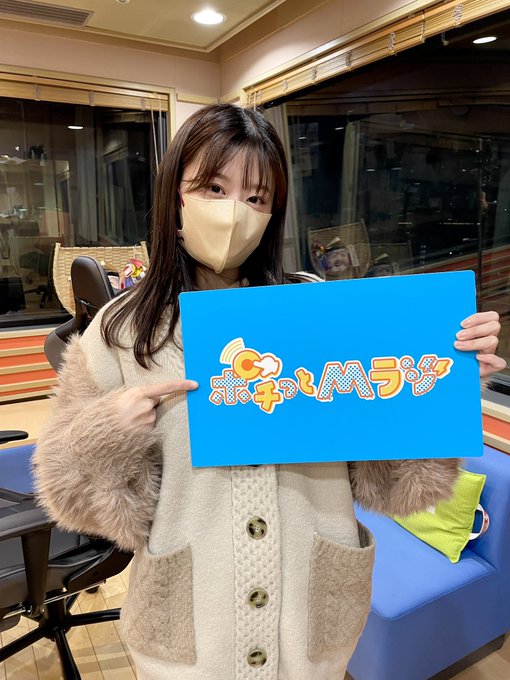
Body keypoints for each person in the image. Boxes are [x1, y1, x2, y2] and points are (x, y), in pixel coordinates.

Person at [33, 103, 506, 680]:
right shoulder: (119, 332)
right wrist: (106, 433)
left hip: (311, 620)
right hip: (189, 628)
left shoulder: (322, 313)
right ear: (174, 196)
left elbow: (391, 486)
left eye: (256, 198)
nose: (235, 212)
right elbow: (71, 497)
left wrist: (442, 384)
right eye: (213, 187)